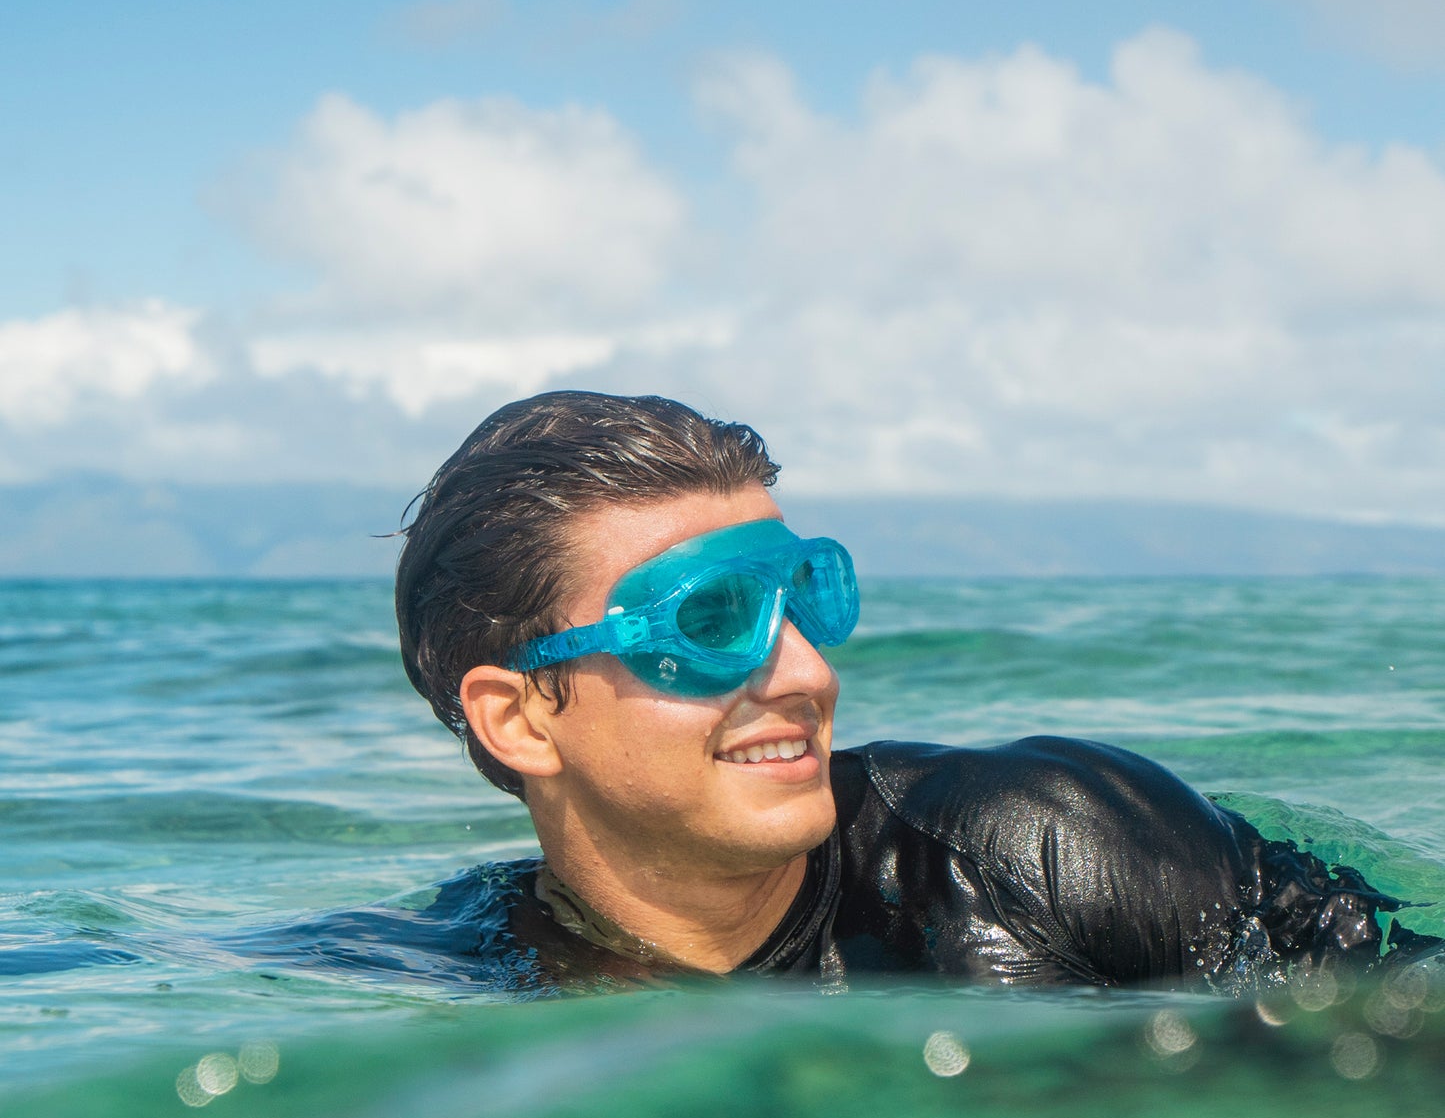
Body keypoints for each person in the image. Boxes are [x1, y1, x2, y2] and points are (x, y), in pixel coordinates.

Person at [392, 390, 1432, 994]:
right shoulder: (463, 972)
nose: (804, 671)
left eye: (803, 599)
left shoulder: (1038, 848)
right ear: (520, 716)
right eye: (710, 623)